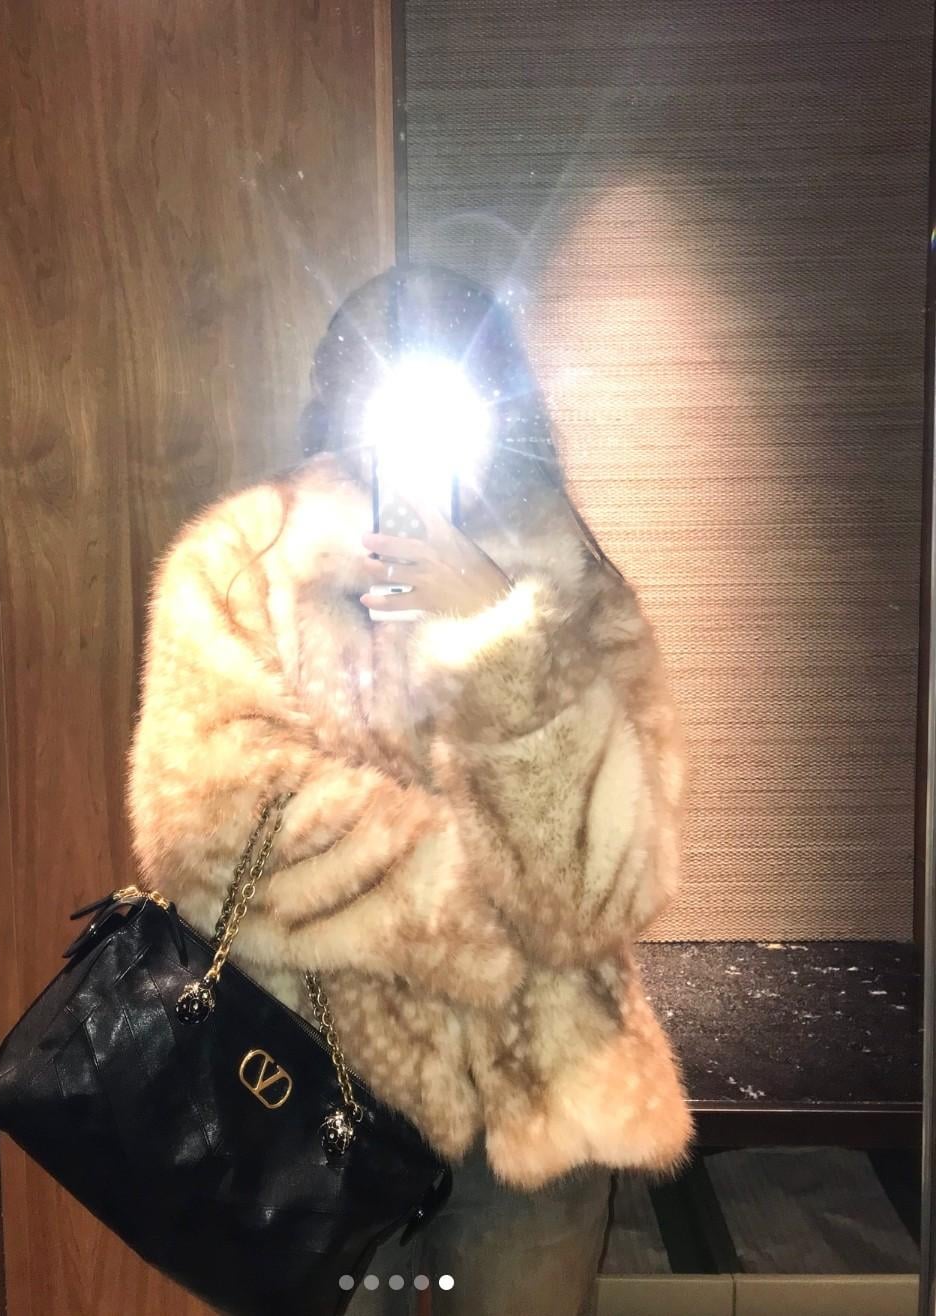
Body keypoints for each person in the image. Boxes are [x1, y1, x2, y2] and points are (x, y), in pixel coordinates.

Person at [126, 265, 692, 1314]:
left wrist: (498, 631)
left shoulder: (566, 575)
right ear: (340, 393)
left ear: (504, 399)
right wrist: (483, 929)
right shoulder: (241, 562)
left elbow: (611, 884)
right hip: (311, 1095)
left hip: (541, 1114)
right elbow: (207, 835)